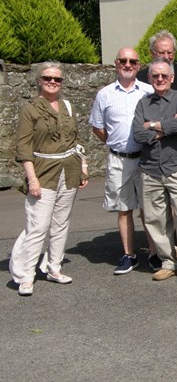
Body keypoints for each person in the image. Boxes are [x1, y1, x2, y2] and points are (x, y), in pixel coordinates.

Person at [10, 61, 89, 296]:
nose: (53, 82)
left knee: (60, 223)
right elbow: (23, 147)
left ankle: (54, 267)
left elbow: (75, 141)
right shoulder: (31, 109)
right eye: (48, 78)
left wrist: (82, 168)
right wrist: (31, 178)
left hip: (69, 170)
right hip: (43, 171)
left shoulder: (68, 106)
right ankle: (26, 275)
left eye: (57, 79)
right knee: (38, 226)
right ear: (39, 81)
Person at [132, 58, 177, 282]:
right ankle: (168, 262)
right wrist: (166, 127)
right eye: (155, 76)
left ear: (172, 78)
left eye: (164, 75)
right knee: (155, 219)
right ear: (150, 78)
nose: (160, 79)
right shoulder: (143, 103)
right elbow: (137, 134)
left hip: (176, 167)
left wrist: (152, 125)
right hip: (150, 169)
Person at [90, 47, 157, 275]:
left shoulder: (148, 92)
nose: (128, 65)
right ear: (116, 63)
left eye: (133, 61)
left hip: (146, 159)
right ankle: (129, 255)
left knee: (149, 209)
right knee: (124, 209)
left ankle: (154, 252)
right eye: (123, 61)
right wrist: (114, 142)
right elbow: (97, 126)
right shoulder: (105, 94)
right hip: (119, 160)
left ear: (139, 65)